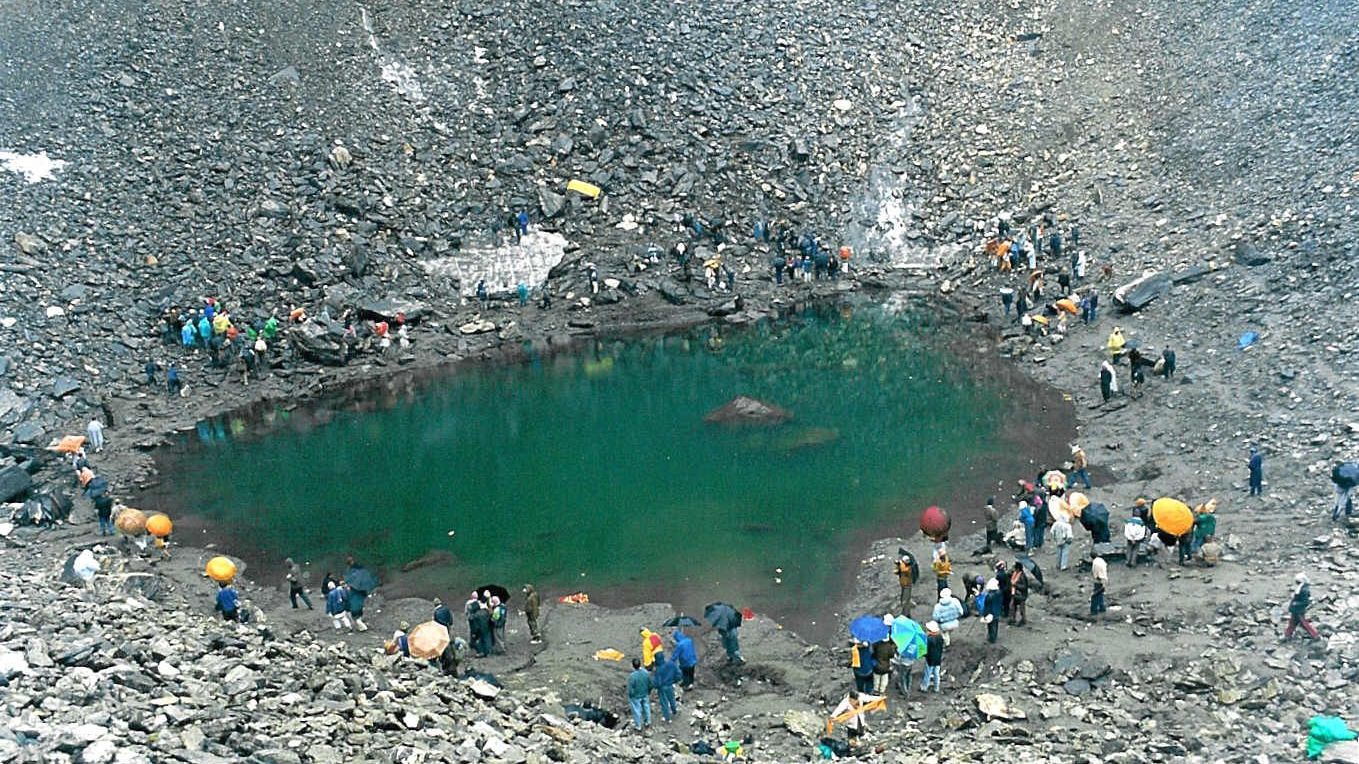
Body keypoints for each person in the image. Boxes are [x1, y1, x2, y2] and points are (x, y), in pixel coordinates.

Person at [1284, 573, 1320, 640]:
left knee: (1303, 624)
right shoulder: (1302, 588)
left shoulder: (1303, 590)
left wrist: (1295, 603)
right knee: (1292, 623)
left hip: (1298, 610)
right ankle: (1287, 635)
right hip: (1296, 610)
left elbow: (1305, 602)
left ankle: (1315, 635)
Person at [653, 653, 681, 722]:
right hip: (670, 685)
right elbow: (679, 674)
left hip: (662, 688)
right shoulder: (671, 664)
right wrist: (674, 681)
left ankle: (667, 717)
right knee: (672, 699)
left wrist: (655, 686)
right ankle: (674, 710)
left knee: (664, 703)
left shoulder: (658, 669)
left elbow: (658, 682)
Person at [627, 659, 653, 731]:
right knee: (646, 708)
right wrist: (649, 691)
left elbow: (631, 688)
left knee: (637, 710)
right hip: (645, 694)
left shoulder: (632, 676)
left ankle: (638, 726)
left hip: (636, 696)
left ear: (633, 666)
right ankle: (648, 721)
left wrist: (631, 695)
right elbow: (650, 684)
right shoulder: (645, 673)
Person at [920, 622, 944, 692]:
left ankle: (924, 687)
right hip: (938, 658)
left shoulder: (929, 639)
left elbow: (925, 650)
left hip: (930, 660)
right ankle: (936, 687)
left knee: (928, 673)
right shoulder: (940, 637)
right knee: (936, 674)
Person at [979, 579, 1003, 643]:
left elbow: (986, 606)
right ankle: (994, 636)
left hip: (990, 613)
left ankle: (991, 638)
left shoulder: (989, 596)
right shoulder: (999, 593)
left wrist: (984, 614)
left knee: (990, 626)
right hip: (997, 611)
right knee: (995, 624)